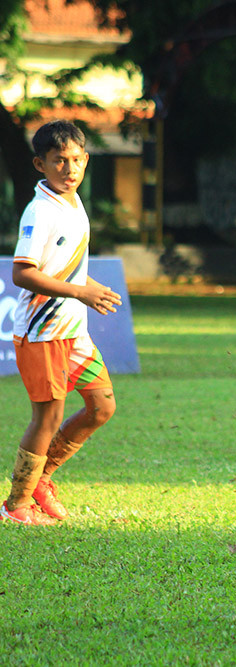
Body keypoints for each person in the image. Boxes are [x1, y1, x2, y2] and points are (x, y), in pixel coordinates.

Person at [2, 120, 122, 526]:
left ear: (86, 160)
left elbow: (64, 269)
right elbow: (23, 273)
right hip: (43, 332)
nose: (69, 169)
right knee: (48, 418)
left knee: (102, 406)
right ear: (40, 164)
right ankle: (16, 505)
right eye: (58, 161)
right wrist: (80, 293)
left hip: (74, 332)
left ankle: (42, 478)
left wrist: (89, 286)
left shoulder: (73, 201)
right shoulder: (40, 210)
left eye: (75, 160)